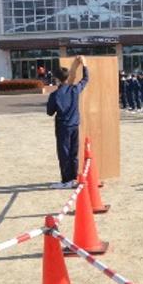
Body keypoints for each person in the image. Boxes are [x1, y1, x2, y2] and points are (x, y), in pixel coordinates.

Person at [46, 55, 89, 188]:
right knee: (73, 153)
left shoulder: (55, 95)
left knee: (64, 153)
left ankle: (66, 180)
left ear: (57, 79)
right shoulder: (75, 89)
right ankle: (74, 178)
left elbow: (49, 112)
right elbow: (86, 79)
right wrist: (84, 65)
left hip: (62, 126)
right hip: (75, 124)